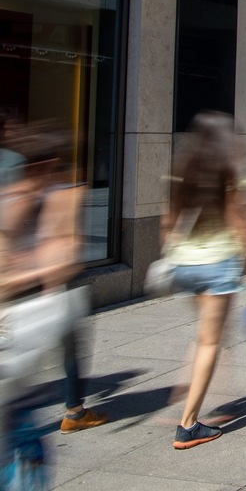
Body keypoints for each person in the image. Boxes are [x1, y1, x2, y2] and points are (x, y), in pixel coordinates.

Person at [160, 112, 246, 448]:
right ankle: (188, 424)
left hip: (184, 264)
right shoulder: (227, 174)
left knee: (209, 336)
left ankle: (188, 393)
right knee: (211, 341)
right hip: (218, 265)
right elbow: (240, 224)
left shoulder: (182, 172)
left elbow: (167, 222)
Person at [0, 122, 109, 446]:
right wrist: (41, 274)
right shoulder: (62, 195)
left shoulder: (11, 197)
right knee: (69, 352)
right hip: (47, 302)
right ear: (49, 162)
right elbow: (67, 258)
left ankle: (73, 411)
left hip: (20, 304)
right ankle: (74, 411)